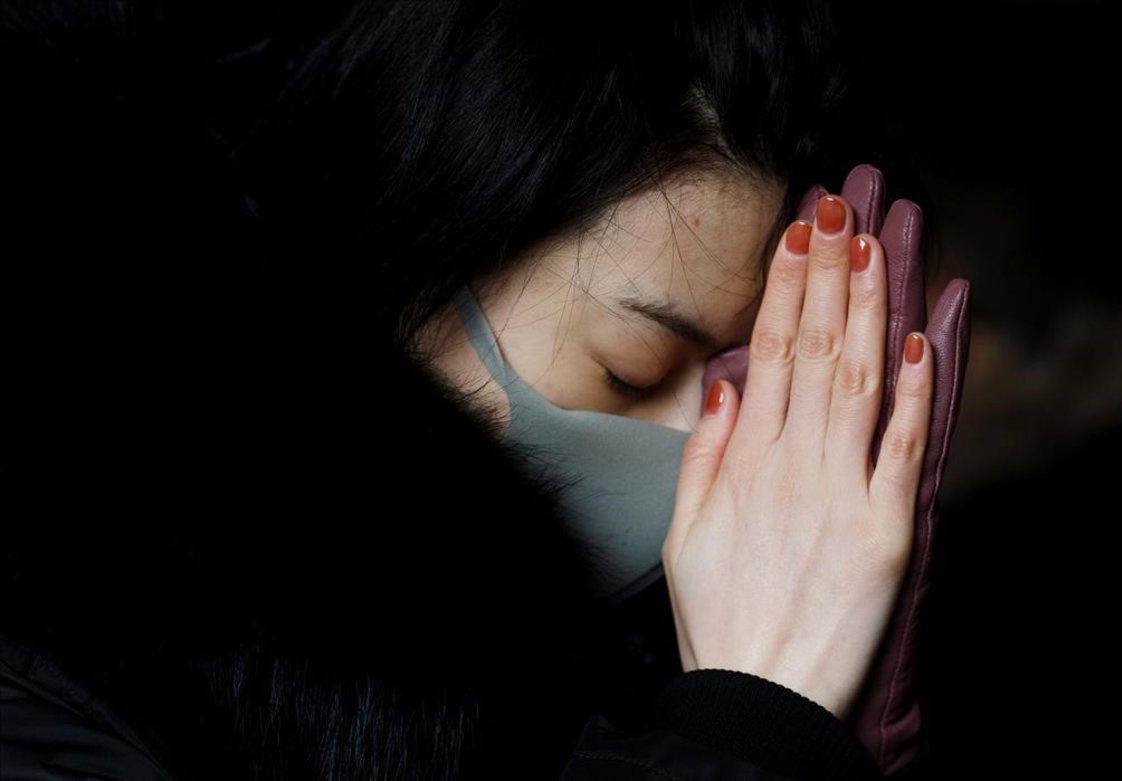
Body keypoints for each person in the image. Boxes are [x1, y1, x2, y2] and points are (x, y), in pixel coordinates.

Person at [0, 0, 968, 777]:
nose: (694, 460)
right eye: (635, 366)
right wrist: (750, 727)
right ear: (420, 244)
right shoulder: (47, 652)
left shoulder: (579, 687)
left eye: (729, 380)